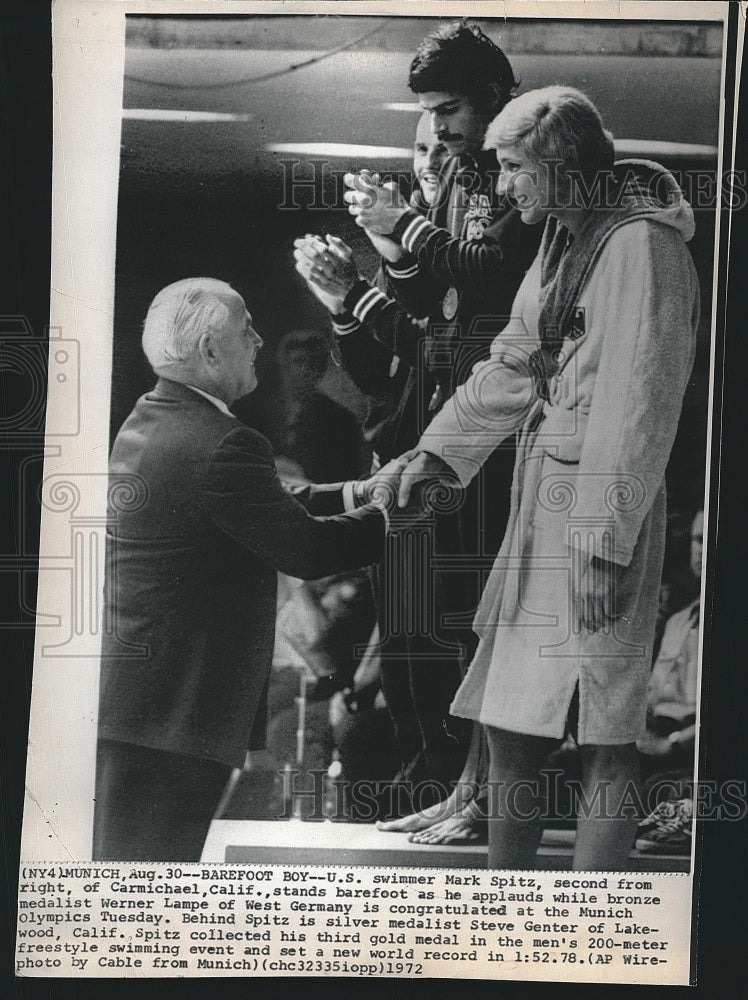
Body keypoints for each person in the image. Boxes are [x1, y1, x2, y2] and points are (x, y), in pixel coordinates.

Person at [390, 86, 700, 870]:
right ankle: (512, 919)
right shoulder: (568, 239)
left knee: (603, 731)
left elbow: (641, 403)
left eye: (513, 166)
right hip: (543, 512)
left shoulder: (641, 245)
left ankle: (590, 933)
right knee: (512, 723)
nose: (502, 186)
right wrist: (435, 453)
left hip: (600, 521)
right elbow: (516, 363)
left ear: (559, 163)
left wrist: (603, 540)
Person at [295, 21, 540, 811]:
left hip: (481, 446)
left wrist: (394, 250)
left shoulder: (500, 195)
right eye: (425, 150)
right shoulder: (435, 221)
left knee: (461, 621)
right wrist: (349, 298)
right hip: (415, 453)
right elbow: (381, 367)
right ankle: (430, 768)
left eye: (447, 128)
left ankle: (460, 777)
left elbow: (454, 333)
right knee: (408, 630)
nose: (437, 156)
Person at [94, 277, 398, 861]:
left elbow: (269, 500)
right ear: (210, 352)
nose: (260, 341)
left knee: (135, 879)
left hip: (148, 707)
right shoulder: (224, 441)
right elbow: (303, 548)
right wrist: (398, 517)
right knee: (149, 886)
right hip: (176, 713)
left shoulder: (158, 415)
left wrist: (361, 491)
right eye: (246, 330)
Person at [634, 509, 703, 854]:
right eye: (699, 539)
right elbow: (654, 695)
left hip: (695, 752)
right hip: (658, 748)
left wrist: (674, 743)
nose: (704, 550)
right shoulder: (678, 620)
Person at [233, 328, 365, 483]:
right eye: (299, 361)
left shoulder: (341, 420)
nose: (305, 371)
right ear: (284, 365)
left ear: (320, 370)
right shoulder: (253, 410)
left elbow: (345, 478)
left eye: (312, 363)